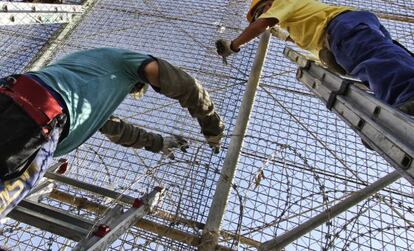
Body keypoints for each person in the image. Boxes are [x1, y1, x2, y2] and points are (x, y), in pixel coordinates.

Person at [0, 47, 224, 218]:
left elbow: (112, 127)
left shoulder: (84, 75)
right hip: (41, 117)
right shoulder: (126, 62)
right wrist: (212, 126)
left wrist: (158, 143)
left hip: (11, 92)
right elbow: (186, 86)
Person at [216, 0, 414, 114]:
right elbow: (301, 36)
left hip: (340, 27)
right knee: (381, 58)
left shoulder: (281, 2)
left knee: (372, 58)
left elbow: (261, 25)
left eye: (259, 12)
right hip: (347, 28)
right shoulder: (295, 20)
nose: (259, 16)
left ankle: (407, 96)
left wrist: (233, 46)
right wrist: (286, 36)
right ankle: (400, 97)